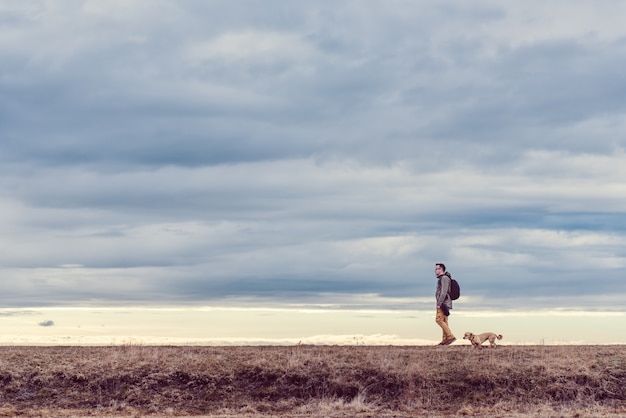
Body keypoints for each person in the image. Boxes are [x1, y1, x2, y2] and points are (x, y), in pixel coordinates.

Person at [435, 263, 456, 345]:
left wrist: (439, 303)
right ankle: (445, 340)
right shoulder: (443, 278)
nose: (435, 271)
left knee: (438, 320)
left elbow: (444, 292)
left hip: (443, 303)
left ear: (441, 269)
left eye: (437, 269)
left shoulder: (444, 278)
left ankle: (450, 336)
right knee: (444, 321)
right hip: (445, 303)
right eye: (435, 269)